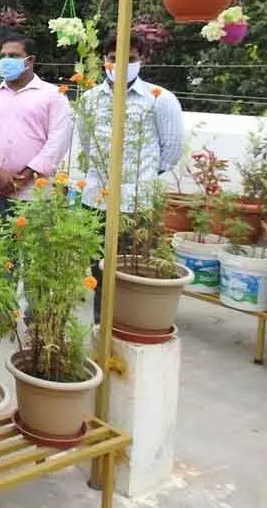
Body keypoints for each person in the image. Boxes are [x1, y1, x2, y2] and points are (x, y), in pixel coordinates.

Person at [79, 32, 184, 324]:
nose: (121, 64)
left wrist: (142, 178)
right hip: (96, 202)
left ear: (142, 60)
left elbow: (171, 150)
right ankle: (102, 330)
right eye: (114, 58)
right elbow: (88, 145)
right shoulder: (90, 100)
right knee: (98, 271)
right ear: (105, 60)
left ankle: (128, 327)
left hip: (136, 205)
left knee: (133, 271)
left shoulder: (159, 100)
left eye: (130, 59)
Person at [0, 34, 73, 217]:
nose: (6, 61)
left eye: (13, 56)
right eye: (3, 56)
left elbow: (58, 141)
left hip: (35, 193)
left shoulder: (53, 96)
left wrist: (25, 176)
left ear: (30, 60)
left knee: (31, 244)